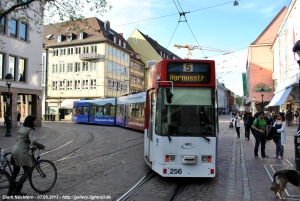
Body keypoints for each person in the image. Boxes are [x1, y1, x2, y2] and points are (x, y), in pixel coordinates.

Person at [10, 115, 45, 196]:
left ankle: (11, 186)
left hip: (15, 150)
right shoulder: (30, 130)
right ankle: (17, 189)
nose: (36, 121)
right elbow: (34, 141)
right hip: (22, 152)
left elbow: (21, 139)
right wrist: (41, 146)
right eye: (35, 120)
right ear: (31, 122)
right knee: (28, 171)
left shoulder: (22, 128)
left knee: (16, 170)